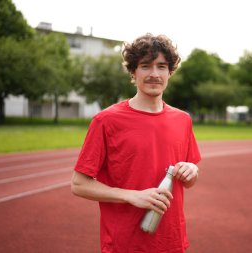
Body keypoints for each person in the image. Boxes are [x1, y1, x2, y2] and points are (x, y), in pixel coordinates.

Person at [71, 33, 201, 253]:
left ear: (170, 71)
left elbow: (189, 181)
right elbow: (79, 184)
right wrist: (131, 195)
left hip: (172, 242)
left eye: (161, 66)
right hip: (125, 244)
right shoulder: (106, 121)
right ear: (133, 71)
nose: (154, 74)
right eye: (145, 66)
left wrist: (192, 171)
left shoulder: (183, 120)